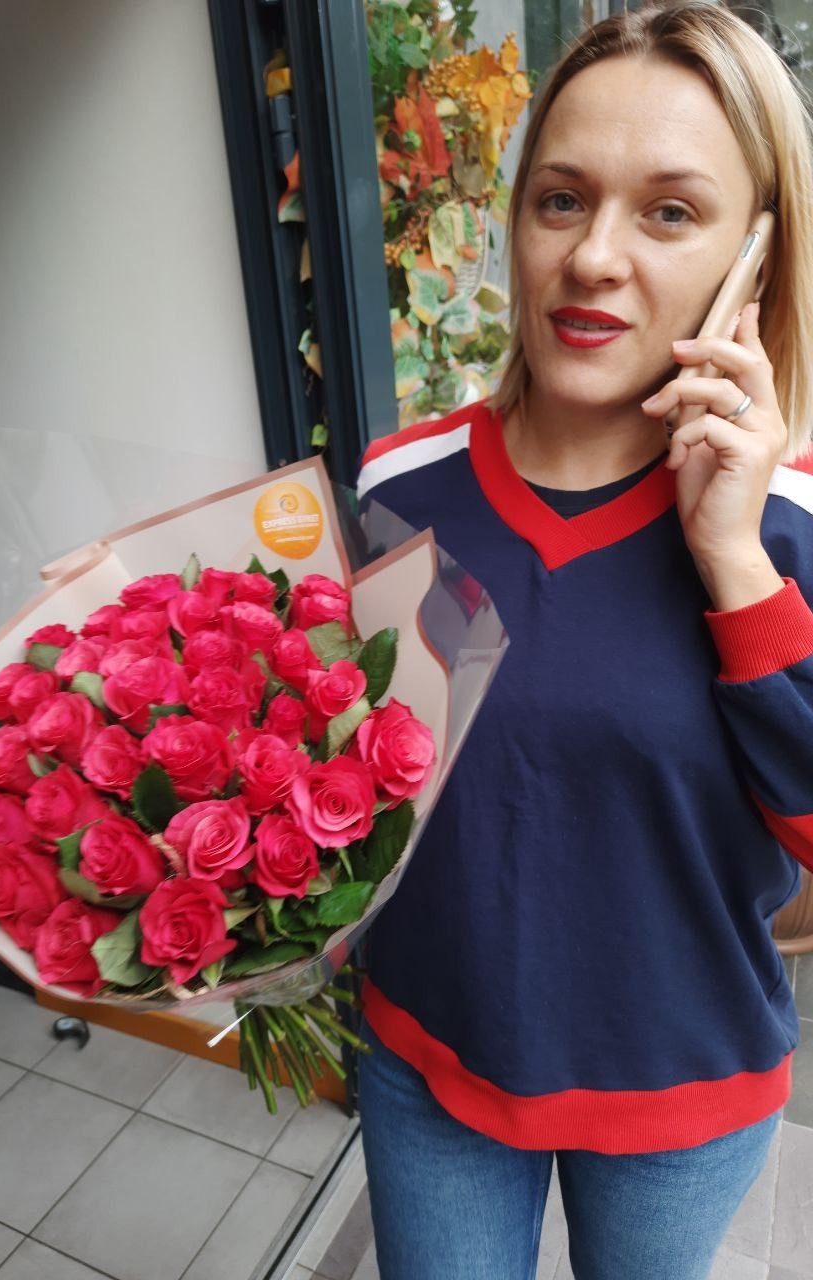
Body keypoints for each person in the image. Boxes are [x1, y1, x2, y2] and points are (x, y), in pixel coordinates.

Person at [355, 3, 813, 1278]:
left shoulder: (791, 525)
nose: (595, 257)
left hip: (680, 1091)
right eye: (562, 199)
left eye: (669, 211)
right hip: (429, 1057)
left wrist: (732, 561)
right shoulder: (400, 482)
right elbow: (363, 766)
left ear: (757, 255)